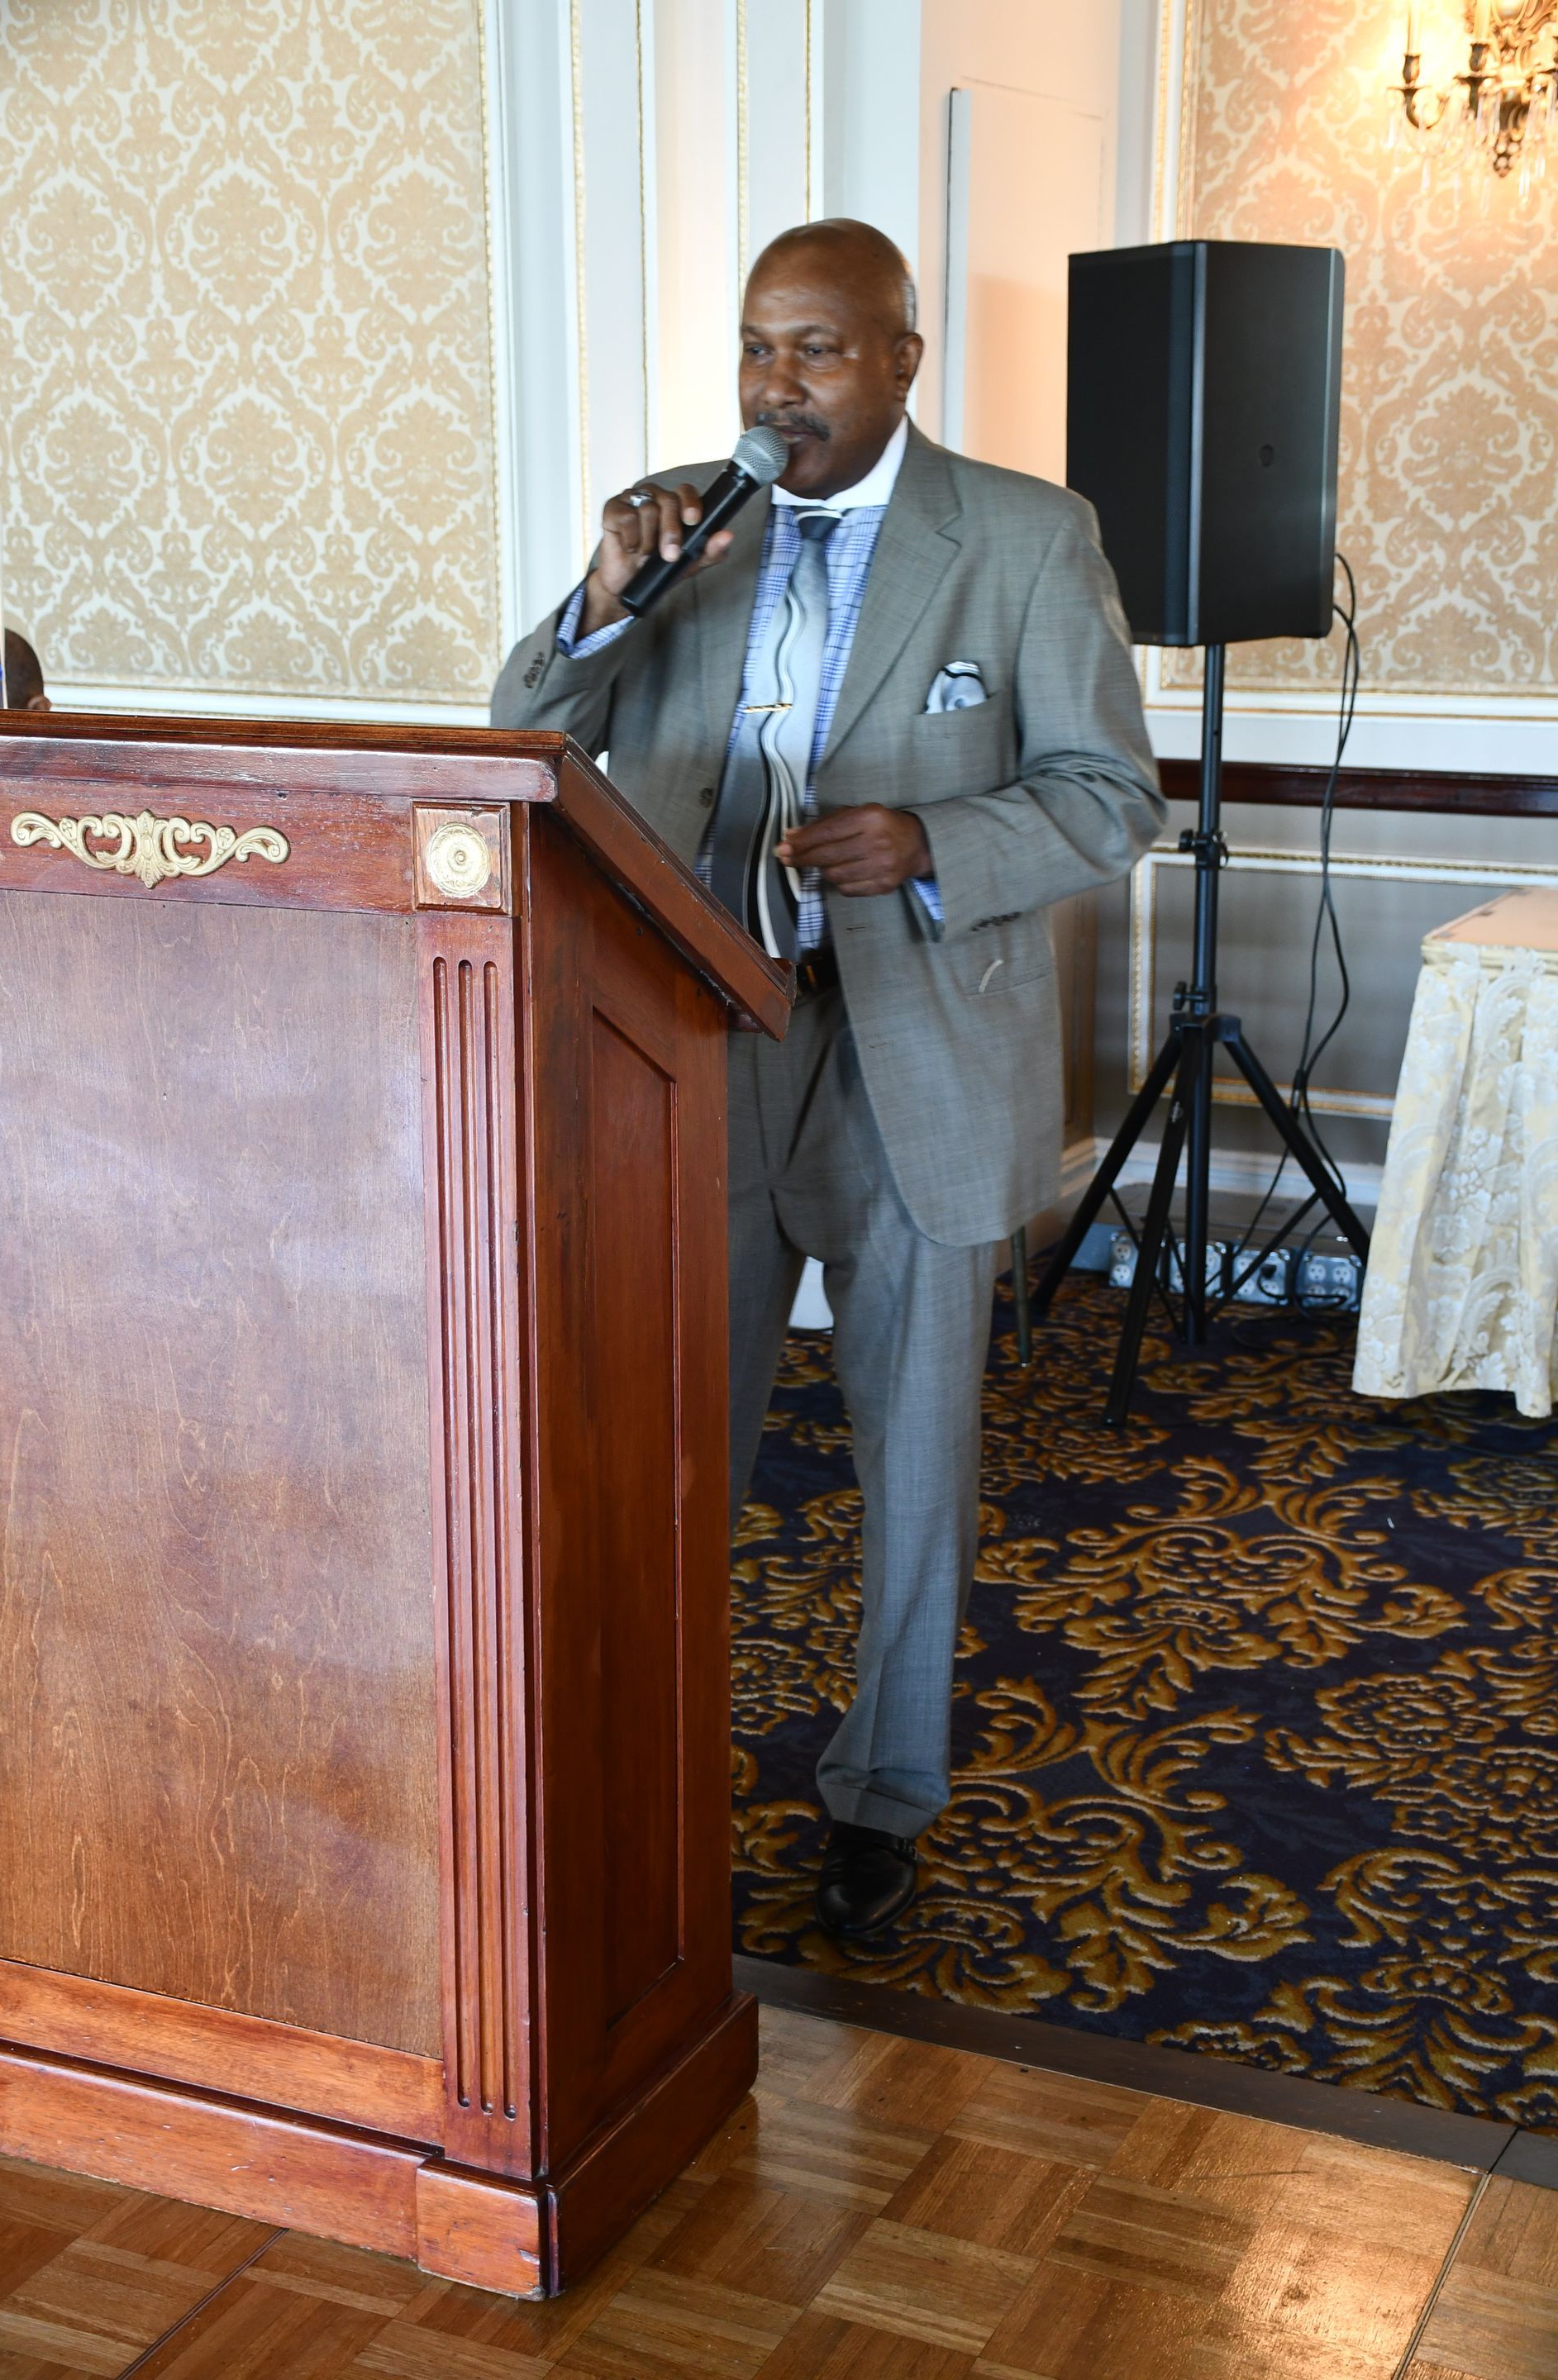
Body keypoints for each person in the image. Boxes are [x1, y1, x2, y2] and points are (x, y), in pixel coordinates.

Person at [493, 217, 1163, 1937]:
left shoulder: (1023, 536)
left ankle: (882, 1794)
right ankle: (655, 1761)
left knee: (914, 1453)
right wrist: (603, 598)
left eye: (817, 349)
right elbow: (520, 735)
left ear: (902, 360)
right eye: (756, 346)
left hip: (913, 1048)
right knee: (670, 1441)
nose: (775, 385)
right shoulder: (681, 522)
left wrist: (935, 839)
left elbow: (1110, 796)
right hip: (693, 1043)